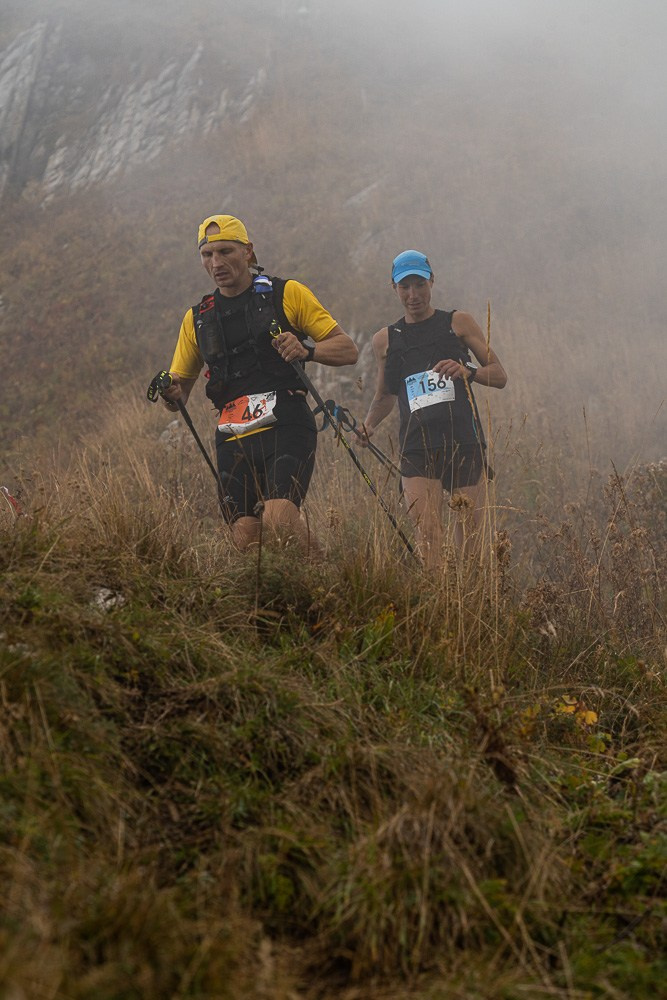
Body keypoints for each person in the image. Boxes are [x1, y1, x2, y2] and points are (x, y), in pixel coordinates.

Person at [161, 214, 358, 552]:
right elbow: (178, 394)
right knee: (246, 538)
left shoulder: (287, 293)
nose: (217, 262)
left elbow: (348, 349)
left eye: (226, 251)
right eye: (207, 255)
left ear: (248, 252)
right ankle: (282, 600)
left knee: (279, 519)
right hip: (232, 435)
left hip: (287, 423)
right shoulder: (197, 318)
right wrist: (170, 393)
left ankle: (329, 576)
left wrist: (307, 350)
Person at [361, 250, 507, 566]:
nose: (413, 295)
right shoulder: (385, 339)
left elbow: (499, 375)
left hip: (463, 441)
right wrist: (368, 425)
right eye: (405, 287)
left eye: (420, 285)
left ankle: (468, 608)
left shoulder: (457, 322)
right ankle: (438, 608)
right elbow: (385, 395)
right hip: (417, 446)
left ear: (432, 281)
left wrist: (469, 372)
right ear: (394, 288)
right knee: (428, 536)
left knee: (470, 541)